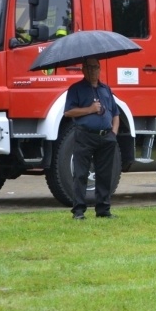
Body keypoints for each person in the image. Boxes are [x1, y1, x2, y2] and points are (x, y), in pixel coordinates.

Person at [63, 57, 120, 220]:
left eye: (95, 67)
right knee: (81, 173)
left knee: (105, 174)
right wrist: (90, 109)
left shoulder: (106, 89)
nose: (92, 70)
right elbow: (68, 112)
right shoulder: (76, 89)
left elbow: (115, 113)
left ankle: (103, 209)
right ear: (83, 69)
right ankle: (79, 211)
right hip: (85, 135)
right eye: (88, 67)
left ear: (100, 68)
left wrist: (113, 134)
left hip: (106, 137)